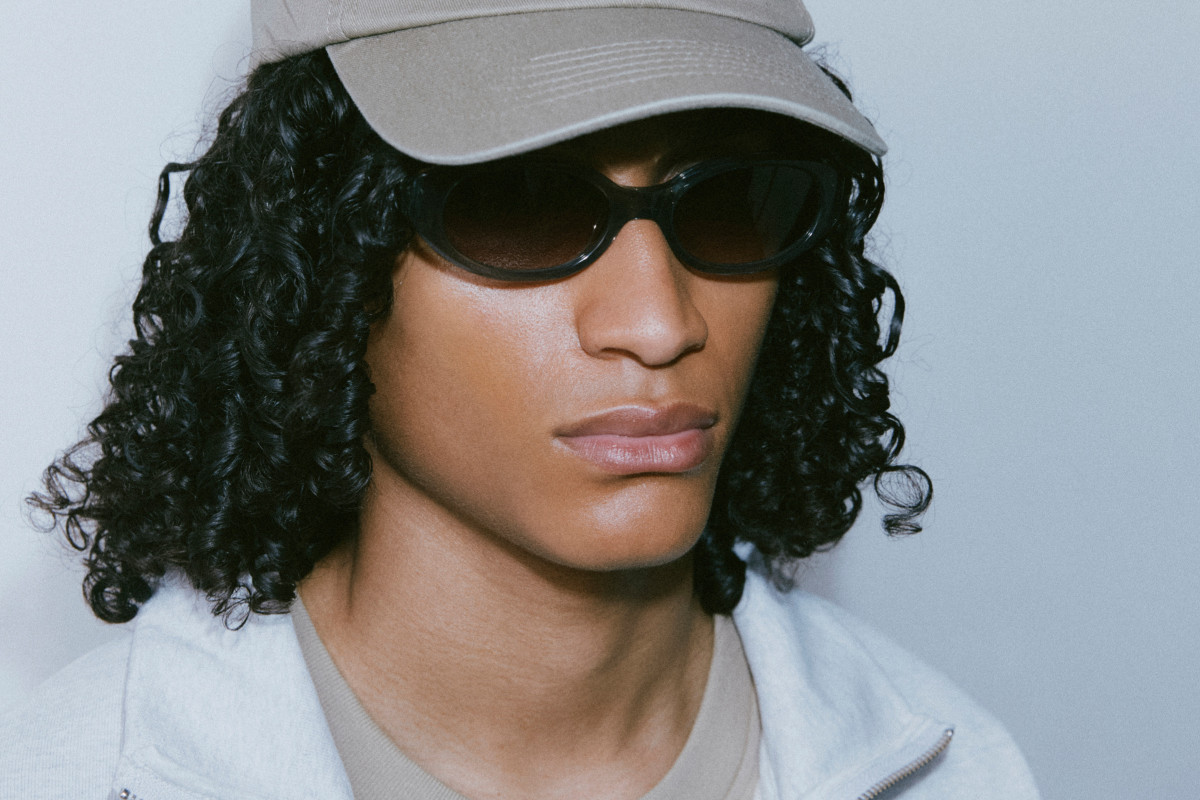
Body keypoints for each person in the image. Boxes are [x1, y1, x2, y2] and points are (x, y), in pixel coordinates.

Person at [1, 1, 1040, 798]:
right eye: (522, 206)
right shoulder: (62, 774)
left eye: (728, 202)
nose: (659, 321)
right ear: (319, 256)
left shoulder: (961, 773)